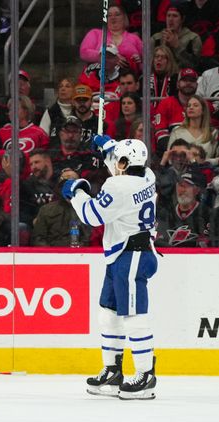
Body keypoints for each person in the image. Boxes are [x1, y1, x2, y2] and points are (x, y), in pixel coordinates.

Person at [63, 136, 159, 400]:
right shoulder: (147, 176)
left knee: (134, 316)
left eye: (118, 159)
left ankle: (145, 375)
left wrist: (76, 192)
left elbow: (91, 215)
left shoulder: (118, 185)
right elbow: (122, 169)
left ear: (126, 162)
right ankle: (112, 370)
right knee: (110, 311)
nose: (115, 163)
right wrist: (108, 148)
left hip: (131, 255)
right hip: (124, 252)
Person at [155, 169, 210, 247]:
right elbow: (157, 240)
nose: (182, 190)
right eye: (180, 185)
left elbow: (208, 245)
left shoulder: (207, 214)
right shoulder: (166, 213)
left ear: (197, 190)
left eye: (187, 186)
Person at [152, 67, 198, 154]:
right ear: (177, 84)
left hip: (198, 153)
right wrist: (178, 151)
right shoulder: (165, 103)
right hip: (172, 154)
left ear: (197, 85)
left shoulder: (204, 105)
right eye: (184, 80)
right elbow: (160, 134)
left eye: (192, 81)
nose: (188, 83)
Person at [169, 94, 219, 161]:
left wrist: (204, 162)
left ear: (203, 111)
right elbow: (170, 158)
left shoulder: (213, 133)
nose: (191, 108)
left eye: (195, 105)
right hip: (182, 170)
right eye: (189, 106)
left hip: (206, 169)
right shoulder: (177, 132)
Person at [150, 5, 201, 70]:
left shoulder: (193, 38)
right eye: (168, 16)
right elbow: (149, 65)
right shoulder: (156, 38)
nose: (170, 19)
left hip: (183, 77)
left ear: (182, 19)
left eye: (175, 16)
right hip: (160, 76)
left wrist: (177, 47)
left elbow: (194, 65)